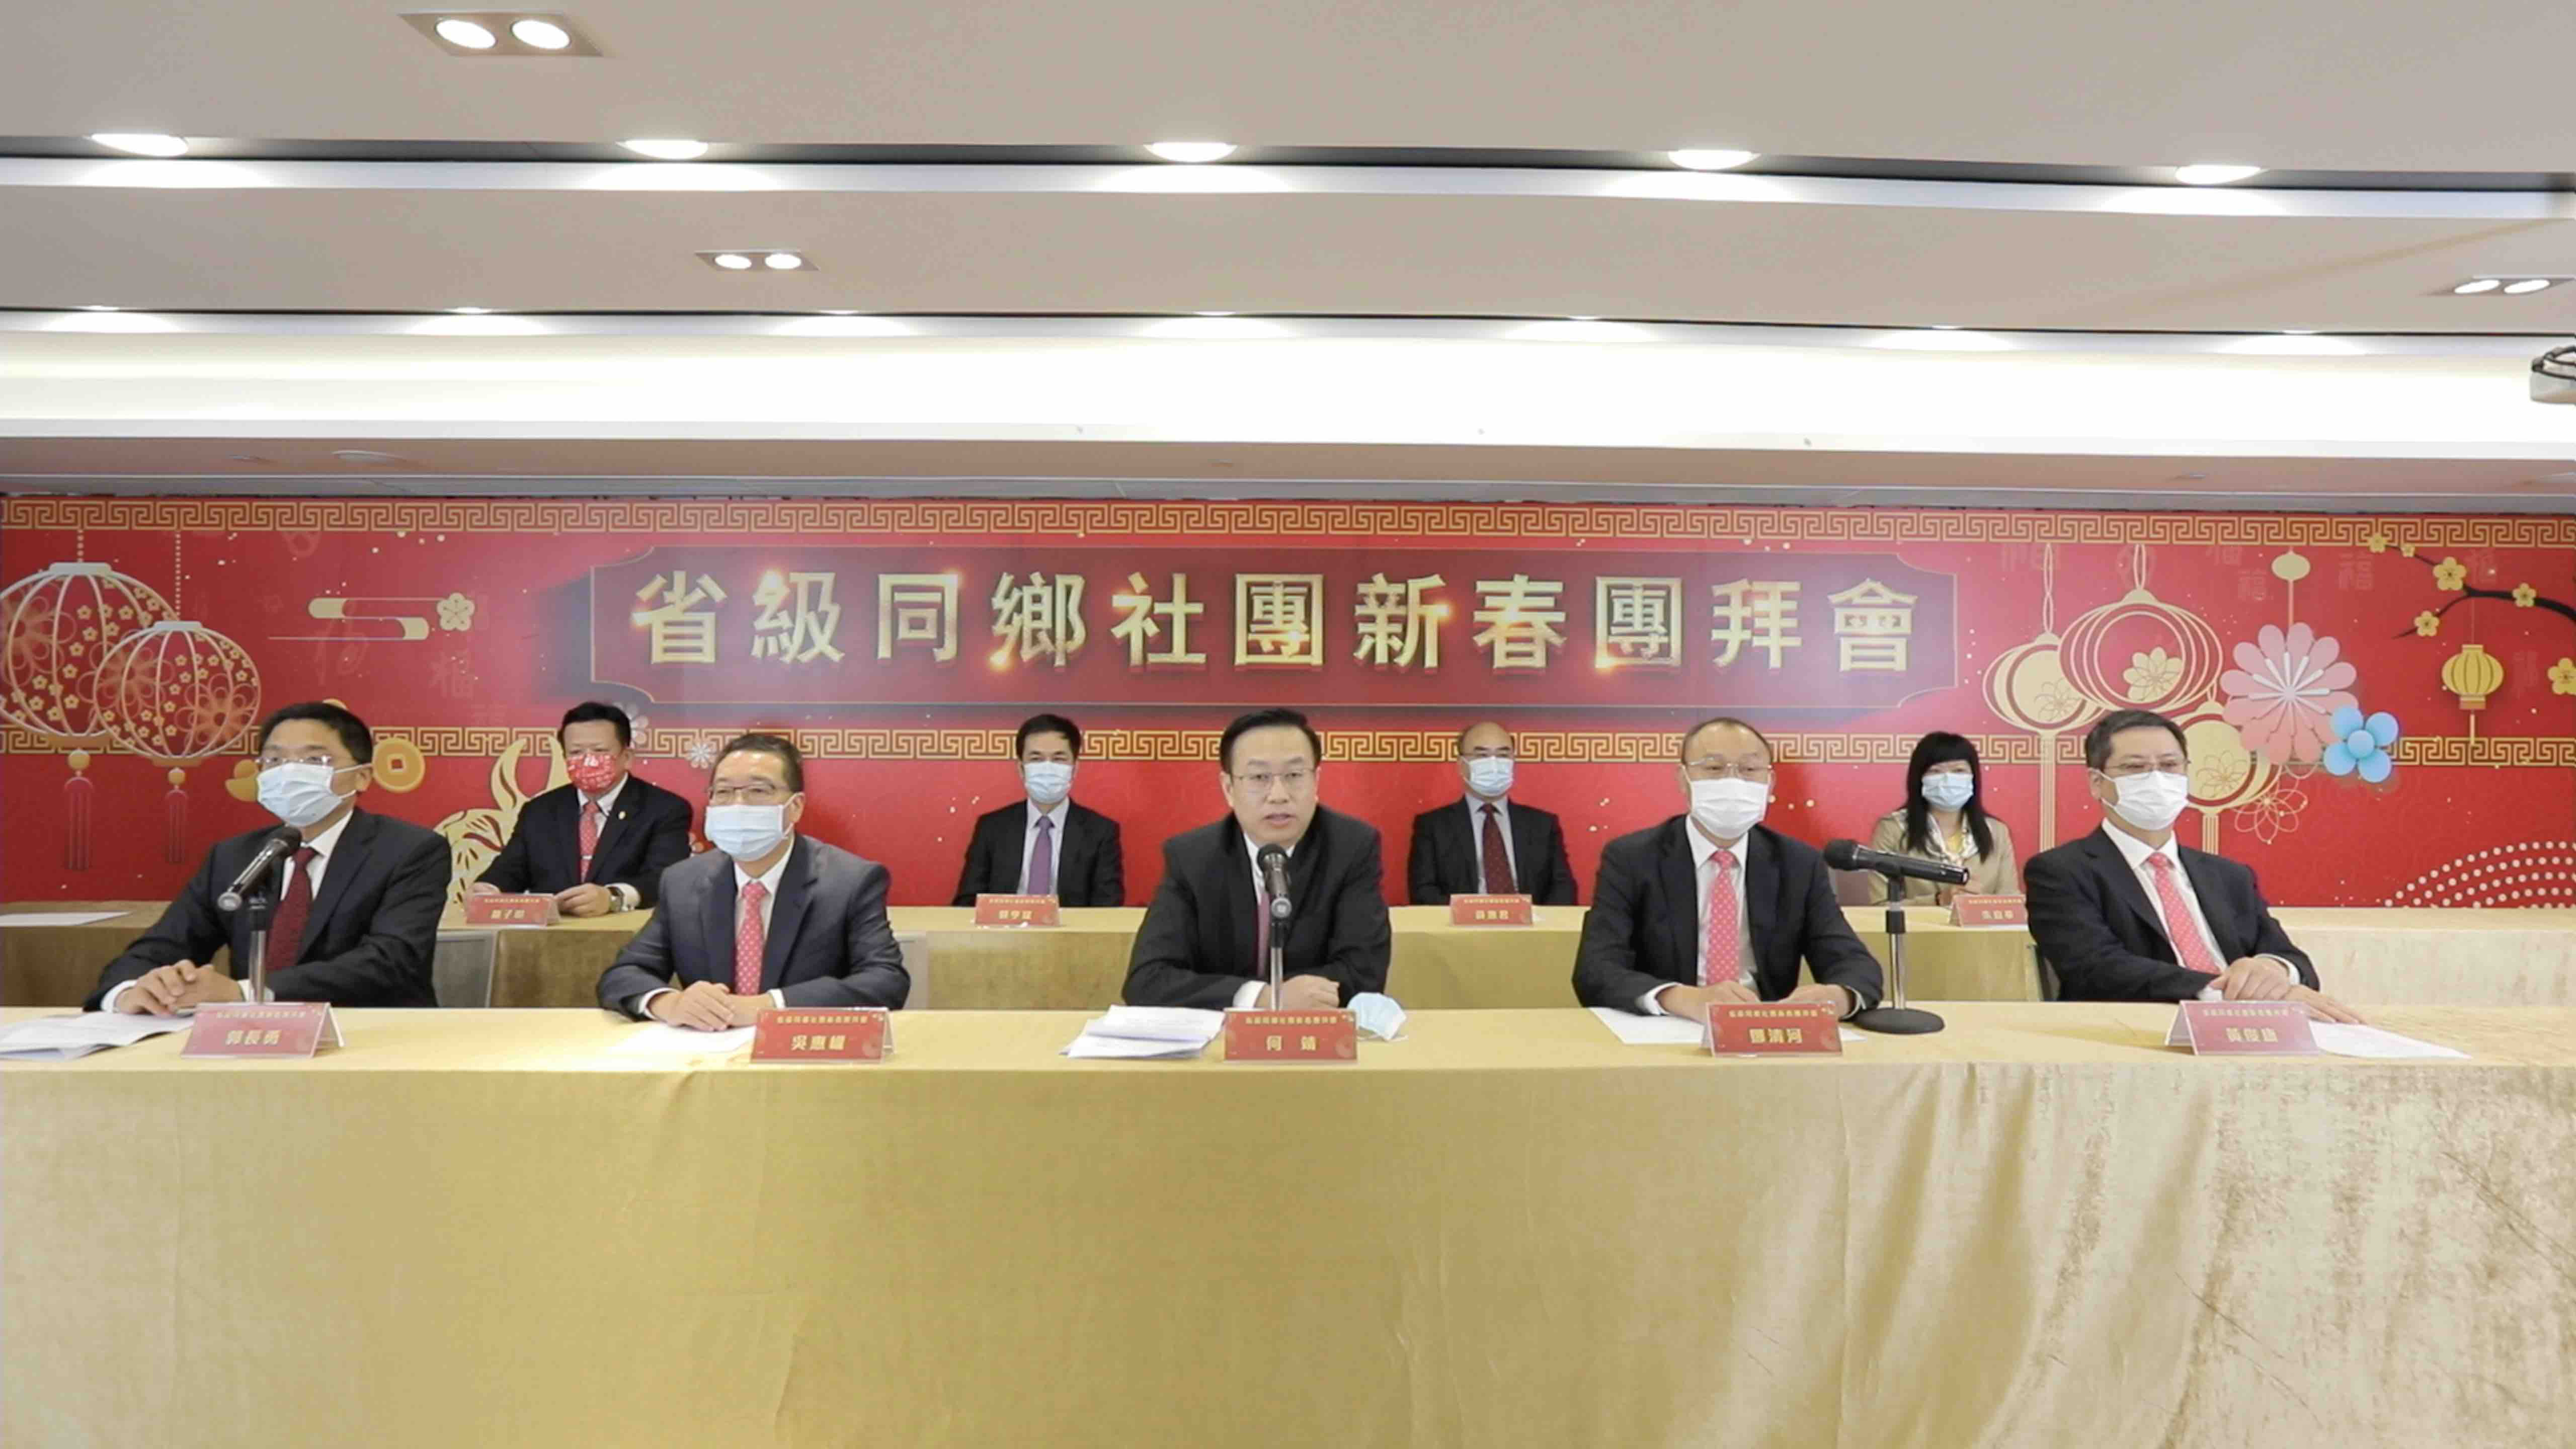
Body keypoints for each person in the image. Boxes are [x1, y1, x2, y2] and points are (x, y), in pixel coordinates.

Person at [93, 701, 450, 1012]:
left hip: (371, 1032)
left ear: (362, 777)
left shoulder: (409, 850)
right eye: (275, 760)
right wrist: (130, 992)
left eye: (315, 760)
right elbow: (161, 947)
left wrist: (247, 993)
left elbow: (392, 961)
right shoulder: (235, 856)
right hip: (251, 1039)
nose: (290, 772)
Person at [2024, 709, 2361, 1020]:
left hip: (2256, 1026)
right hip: (2141, 1030)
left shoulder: (2229, 875)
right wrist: (2228, 993)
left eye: (2169, 765)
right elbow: (2096, 968)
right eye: (2134, 768)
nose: (2156, 778)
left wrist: (2274, 972)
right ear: (2097, 783)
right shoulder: (2060, 872)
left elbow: (2290, 958)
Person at [1573, 716, 1882, 1021]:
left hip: (1764, 1030)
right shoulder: (1632, 858)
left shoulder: (1798, 863)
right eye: (1713, 768)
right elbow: (1596, 970)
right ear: (1683, 780)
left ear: (1770, 782)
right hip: (1670, 1025)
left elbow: (1854, 963)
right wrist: (1681, 998)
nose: (1733, 781)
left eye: (1749, 770)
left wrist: (1839, 996)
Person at [596, 733, 907, 1028]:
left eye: (758, 791)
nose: (738, 804)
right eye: (724, 792)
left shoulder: (850, 881)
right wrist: (670, 1003)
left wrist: (769, 1006)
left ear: (795, 807)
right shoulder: (683, 881)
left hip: (802, 1051)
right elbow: (625, 973)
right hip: (708, 1051)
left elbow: (885, 981)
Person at [1121, 708, 1391, 1009]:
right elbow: (1147, 981)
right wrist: (1262, 998)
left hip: (1310, 1034)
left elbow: (1365, 974)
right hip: (1220, 1035)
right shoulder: (1192, 858)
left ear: (1316, 781)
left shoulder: (1351, 848)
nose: (1278, 795)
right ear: (1229, 789)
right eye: (1260, 777)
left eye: (1294, 776)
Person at [471, 701, 693, 915]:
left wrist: (612, 897)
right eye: (576, 753)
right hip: (551, 934)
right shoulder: (539, 811)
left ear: (627, 757)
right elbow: (510, 870)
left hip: (631, 934)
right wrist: (489, 889)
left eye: (600, 751)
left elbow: (665, 878)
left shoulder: (665, 809)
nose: (588, 761)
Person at [949, 712, 1125, 906]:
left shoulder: (1101, 831)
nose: (1048, 768)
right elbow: (968, 902)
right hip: (1004, 926)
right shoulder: (992, 828)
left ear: (1075, 768)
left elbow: (1108, 906)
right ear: (1021, 768)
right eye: (1036, 759)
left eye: (1059, 759)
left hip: (1070, 927)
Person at [1406, 720, 1579, 905]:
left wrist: (1538, 919)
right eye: (1482, 755)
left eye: (1503, 755)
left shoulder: (1543, 825)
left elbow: (1563, 888)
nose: (1494, 764)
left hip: (1531, 922)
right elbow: (1423, 890)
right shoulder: (1433, 826)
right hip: (1459, 923)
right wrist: (1465, 916)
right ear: (1462, 765)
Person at [1864, 732, 2021, 904]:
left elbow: (2011, 902)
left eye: (1959, 771)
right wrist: (1938, 900)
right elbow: (1880, 906)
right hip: (1920, 923)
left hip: (1981, 923)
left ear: (1973, 778)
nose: (1948, 779)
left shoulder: (1996, 832)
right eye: (1936, 771)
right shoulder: (1893, 829)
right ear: (1919, 778)